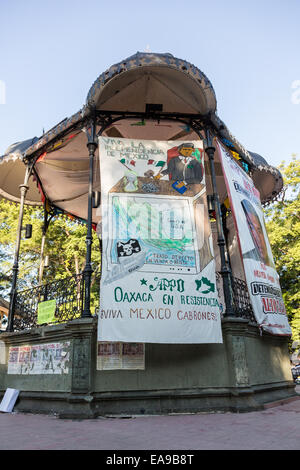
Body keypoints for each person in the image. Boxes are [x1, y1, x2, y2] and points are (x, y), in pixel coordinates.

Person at [241, 199, 274, 268]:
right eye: (251, 230)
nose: (257, 238)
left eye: (258, 230)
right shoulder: (246, 259)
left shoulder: (271, 265)